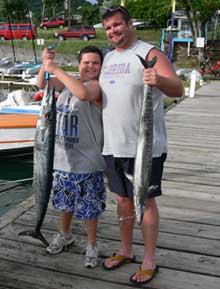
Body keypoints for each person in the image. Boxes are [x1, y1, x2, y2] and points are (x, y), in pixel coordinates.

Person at [99, 6, 184, 285]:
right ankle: (125, 249)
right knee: (123, 200)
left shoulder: (150, 53)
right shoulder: (109, 57)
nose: (113, 31)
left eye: (117, 25)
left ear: (129, 24)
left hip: (145, 146)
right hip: (114, 144)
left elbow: (178, 89)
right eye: (109, 27)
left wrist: (158, 79)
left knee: (145, 201)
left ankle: (149, 259)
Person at [36, 45, 106, 268]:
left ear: (101, 67)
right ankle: (64, 235)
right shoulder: (69, 82)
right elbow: (42, 85)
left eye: (95, 62)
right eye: (86, 62)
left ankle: (92, 244)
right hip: (61, 160)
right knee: (65, 204)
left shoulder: (98, 87)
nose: (90, 66)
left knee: (89, 208)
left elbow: (83, 94)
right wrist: (45, 64)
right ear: (79, 64)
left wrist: (55, 68)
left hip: (88, 162)